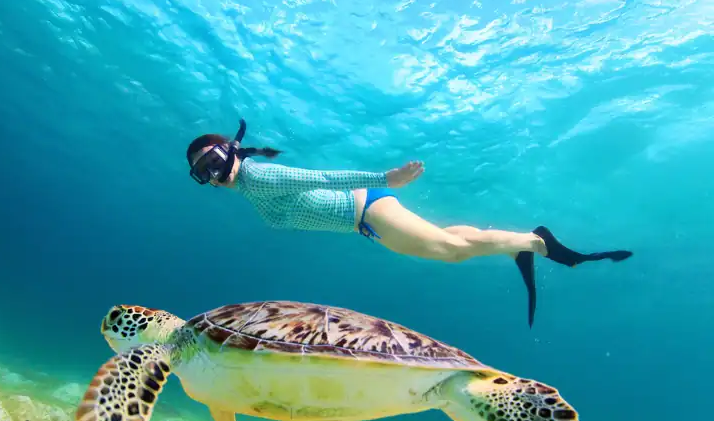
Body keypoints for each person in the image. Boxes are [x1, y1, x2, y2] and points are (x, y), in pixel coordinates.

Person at [187, 120, 633, 327]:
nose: (211, 175)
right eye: (200, 172)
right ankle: (521, 243)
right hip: (365, 217)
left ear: (229, 150)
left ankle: (536, 243)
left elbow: (321, 177)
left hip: (366, 209)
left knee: (450, 252)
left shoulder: (257, 176)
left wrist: (387, 177)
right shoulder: (249, 185)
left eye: (210, 161)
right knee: (451, 241)